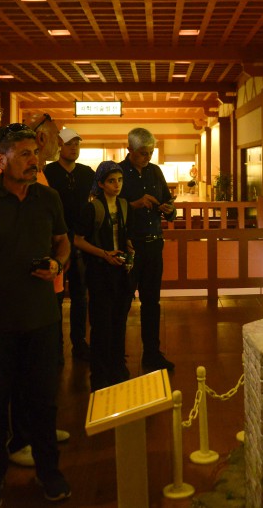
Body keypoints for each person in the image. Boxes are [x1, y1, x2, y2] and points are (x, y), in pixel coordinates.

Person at [0, 125, 72, 505]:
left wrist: (58, 267)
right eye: (25, 154)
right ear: (1, 160)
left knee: (43, 400)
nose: (34, 161)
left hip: (41, 317)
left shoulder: (48, 198)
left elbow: (63, 242)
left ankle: (49, 472)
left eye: (35, 154)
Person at [119, 127, 177, 373]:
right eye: (143, 153)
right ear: (129, 149)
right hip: (129, 246)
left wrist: (168, 209)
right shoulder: (117, 172)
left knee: (152, 302)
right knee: (121, 303)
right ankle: (116, 357)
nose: (148, 157)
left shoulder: (155, 172)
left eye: (151, 152)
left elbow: (169, 203)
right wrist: (135, 204)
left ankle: (152, 354)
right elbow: (107, 207)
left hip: (154, 244)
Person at [74, 161, 134, 391]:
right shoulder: (93, 208)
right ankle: (99, 373)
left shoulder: (125, 206)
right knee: (101, 323)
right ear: (100, 183)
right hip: (100, 272)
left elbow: (125, 235)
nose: (117, 185)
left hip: (121, 271)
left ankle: (118, 366)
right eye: (111, 181)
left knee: (119, 320)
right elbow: (78, 239)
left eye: (119, 180)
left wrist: (130, 251)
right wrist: (104, 254)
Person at [44, 127, 94, 362]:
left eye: (77, 144)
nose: (73, 148)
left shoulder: (87, 173)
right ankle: (55, 345)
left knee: (80, 294)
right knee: (54, 296)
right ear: (59, 146)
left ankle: (79, 343)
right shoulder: (49, 172)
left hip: (81, 239)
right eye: (69, 144)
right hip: (55, 240)